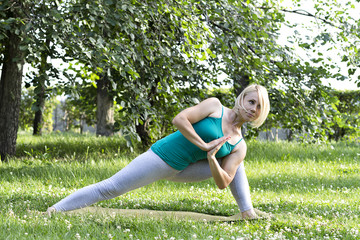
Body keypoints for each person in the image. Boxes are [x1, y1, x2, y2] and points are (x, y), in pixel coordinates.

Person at [46, 84, 270, 219]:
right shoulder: (215, 106)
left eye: (259, 107)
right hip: (162, 158)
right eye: (251, 102)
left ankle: (247, 211)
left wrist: (211, 157)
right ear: (242, 98)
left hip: (187, 169)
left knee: (238, 160)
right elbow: (179, 119)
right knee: (110, 188)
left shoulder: (239, 144)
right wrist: (204, 146)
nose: (253, 109)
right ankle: (53, 211)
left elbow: (224, 182)